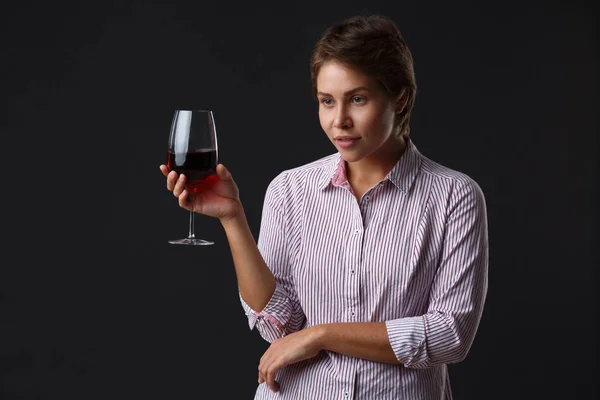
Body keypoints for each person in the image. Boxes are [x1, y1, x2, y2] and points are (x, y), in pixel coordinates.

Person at [159, 14, 488, 400]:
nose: (339, 121)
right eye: (327, 101)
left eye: (358, 99)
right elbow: (278, 326)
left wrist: (321, 335)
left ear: (400, 96)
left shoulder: (454, 197)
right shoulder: (290, 189)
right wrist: (233, 220)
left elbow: (450, 335)